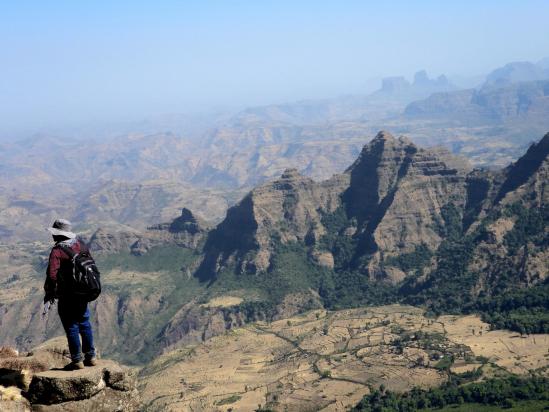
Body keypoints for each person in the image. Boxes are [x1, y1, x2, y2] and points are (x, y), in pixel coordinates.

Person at [44, 219, 97, 370]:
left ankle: (77, 360)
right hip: (82, 294)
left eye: (54, 233)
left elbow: (52, 274)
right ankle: (91, 357)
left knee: (72, 326)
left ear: (59, 235)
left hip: (67, 295)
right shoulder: (81, 245)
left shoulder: (58, 250)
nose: (53, 236)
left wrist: (52, 291)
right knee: (85, 324)